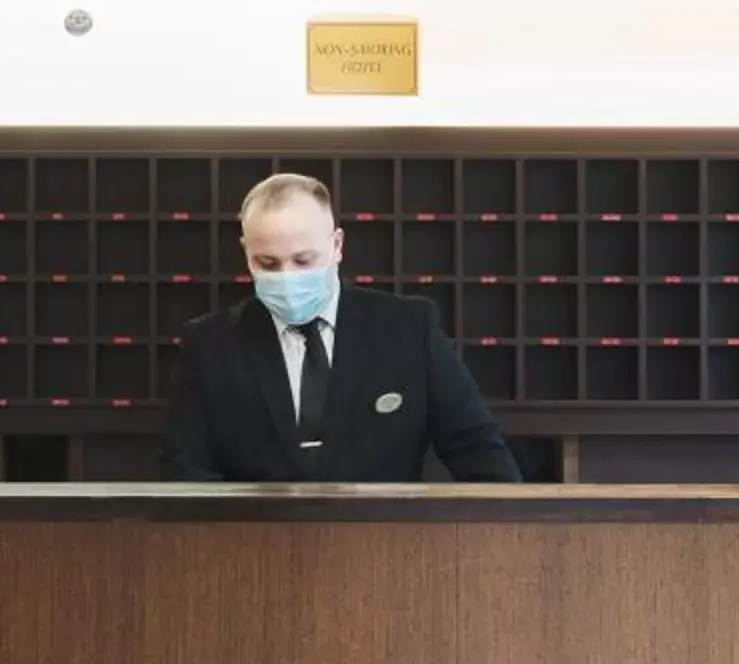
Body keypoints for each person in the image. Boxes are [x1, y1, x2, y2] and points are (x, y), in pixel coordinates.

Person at [161, 172, 521, 483]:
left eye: (304, 260)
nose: (287, 276)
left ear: (336, 245)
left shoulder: (408, 329)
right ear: (246, 253)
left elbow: (476, 448)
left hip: (386, 546)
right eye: (268, 263)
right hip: (254, 552)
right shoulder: (210, 344)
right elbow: (186, 471)